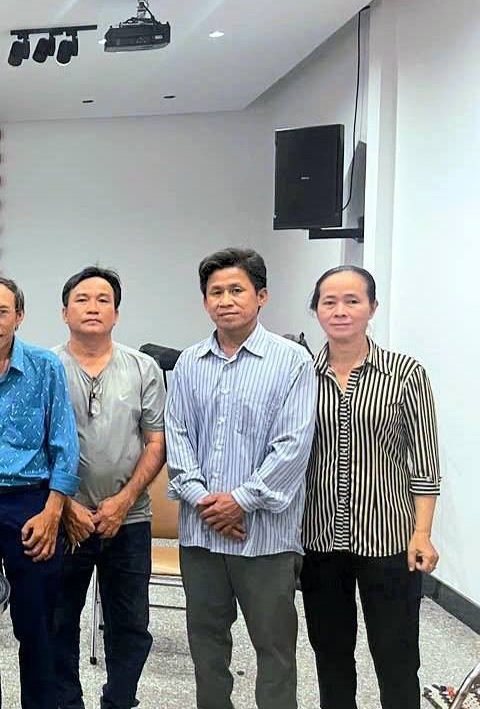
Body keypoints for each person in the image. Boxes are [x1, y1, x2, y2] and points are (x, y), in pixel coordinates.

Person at [164, 247, 317, 709]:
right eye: (216, 292)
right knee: (206, 645)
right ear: (205, 301)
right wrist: (205, 501)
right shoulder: (189, 362)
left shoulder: (292, 361)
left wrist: (240, 502)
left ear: (261, 296)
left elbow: (293, 445)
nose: (226, 300)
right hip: (201, 534)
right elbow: (177, 436)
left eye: (236, 290)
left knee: (275, 650)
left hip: (264, 536)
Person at [301, 265, 441, 709]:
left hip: (389, 539)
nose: (340, 310)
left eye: (352, 301)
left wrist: (422, 533)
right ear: (317, 310)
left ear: (372, 308)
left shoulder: (405, 373)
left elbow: (425, 461)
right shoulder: (301, 375)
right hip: (320, 538)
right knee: (331, 656)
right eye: (329, 302)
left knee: (396, 657)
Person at [0, 276, 80, 709]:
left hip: (31, 504)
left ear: (19, 316)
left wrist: (53, 511)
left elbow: (64, 444)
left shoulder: (45, 366)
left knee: (36, 623)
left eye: (2, 312)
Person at [51, 266, 166, 709]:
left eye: (104, 300)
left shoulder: (143, 367)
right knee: (58, 621)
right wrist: (66, 506)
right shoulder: (46, 367)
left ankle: (120, 700)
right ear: (65, 312)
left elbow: (156, 442)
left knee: (131, 624)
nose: (93, 307)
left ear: (116, 313)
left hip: (129, 518)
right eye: (82, 299)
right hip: (64, 518)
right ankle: (67, 703)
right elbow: (35, 444)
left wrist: (123, 500)